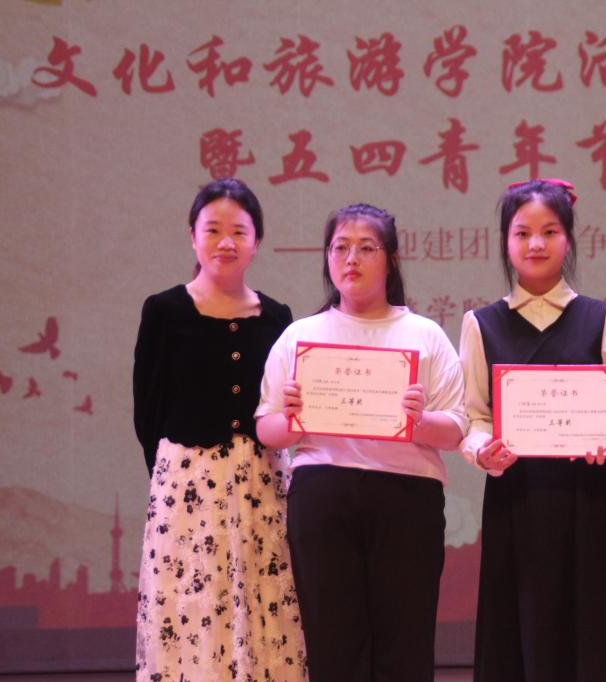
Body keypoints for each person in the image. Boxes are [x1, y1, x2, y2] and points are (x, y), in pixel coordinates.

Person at [255, 203, 467, 682]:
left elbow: (456, 428)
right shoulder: (300, 335)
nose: (351, 259)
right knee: (333, 644)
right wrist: (293, 420)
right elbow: (267, 428)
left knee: (404, 643)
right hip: (323, 496)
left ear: (391, 260)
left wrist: (417, 422)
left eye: (366, 248)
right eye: (340, 248)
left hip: (407, 496)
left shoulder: (425, 335)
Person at [459, 178, 606, 682]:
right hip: (517, 499)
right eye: (522, 233)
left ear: (568, 239)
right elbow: (474, 416)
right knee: (522, 630)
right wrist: (482, 451)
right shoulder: (482, 324)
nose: (536, 244)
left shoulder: (600, 316)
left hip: (590, 497)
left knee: (596, 631)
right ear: (506, 241)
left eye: (549, 231)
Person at [132, 178, 307, 681]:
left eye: (239, 231)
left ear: (257, 240)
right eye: (212, 230)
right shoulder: (164, 310)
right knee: (192, 609)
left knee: (263, 603)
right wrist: (173, 479)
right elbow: (148, 412)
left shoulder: (277, 317)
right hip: (186, 491)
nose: (225, 242)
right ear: (192, 236)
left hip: (262, 487)